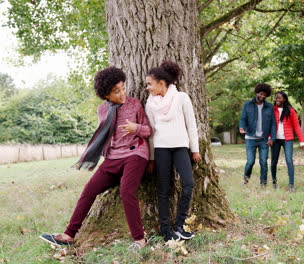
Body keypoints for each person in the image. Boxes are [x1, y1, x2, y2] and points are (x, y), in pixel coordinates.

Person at [39, 67, 151, 250]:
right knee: (89, 190)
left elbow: (148, 131)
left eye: (123, 88)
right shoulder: (102, 110)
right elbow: (105, 135)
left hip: (135, 153)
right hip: (113, 157)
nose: (122, 93)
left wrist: (136, 128)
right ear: (106, 95)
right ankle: (68, 235)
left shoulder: (135, 104)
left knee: (126, 191)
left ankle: (139, 239)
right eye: (117, 91)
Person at [145, 61, 201, 242]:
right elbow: (152, 132)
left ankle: (179, 225)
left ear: (161, 83)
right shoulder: (150, 103)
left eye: (149, 84)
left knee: (188, 183)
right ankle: (166, 230)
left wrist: (195, 149)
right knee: (163, 189)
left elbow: (191, 124)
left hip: (180, 148)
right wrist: (152, 158)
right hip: (161, 149)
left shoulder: (181, 97)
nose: (148, 88)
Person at [239, 83, 276, 187]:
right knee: (250, 162)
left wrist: (272, 137)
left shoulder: (270, 107)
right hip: (250, 138)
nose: (262, 96)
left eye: (265, 95)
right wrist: (242, 126)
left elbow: (273, 124)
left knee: (263, 162)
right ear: (257, 92)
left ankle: (263, 183)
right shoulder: (248, 104)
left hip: (263, 139)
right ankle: (246, 179)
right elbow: (243, 118)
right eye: (261, 94)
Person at [271, 91, 304, 192]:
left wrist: (302, 141)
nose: (277, 100)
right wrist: (269, 137)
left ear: (284, 99)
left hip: (287, 140)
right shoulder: (272, 110)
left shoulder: (290, 111)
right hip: (275, 140)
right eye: (276, 98)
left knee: (289, 161)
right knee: (274, 162)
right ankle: (274, 182)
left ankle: (291, 185)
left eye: (279, 98)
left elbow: (297, 127)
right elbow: (269, 125)